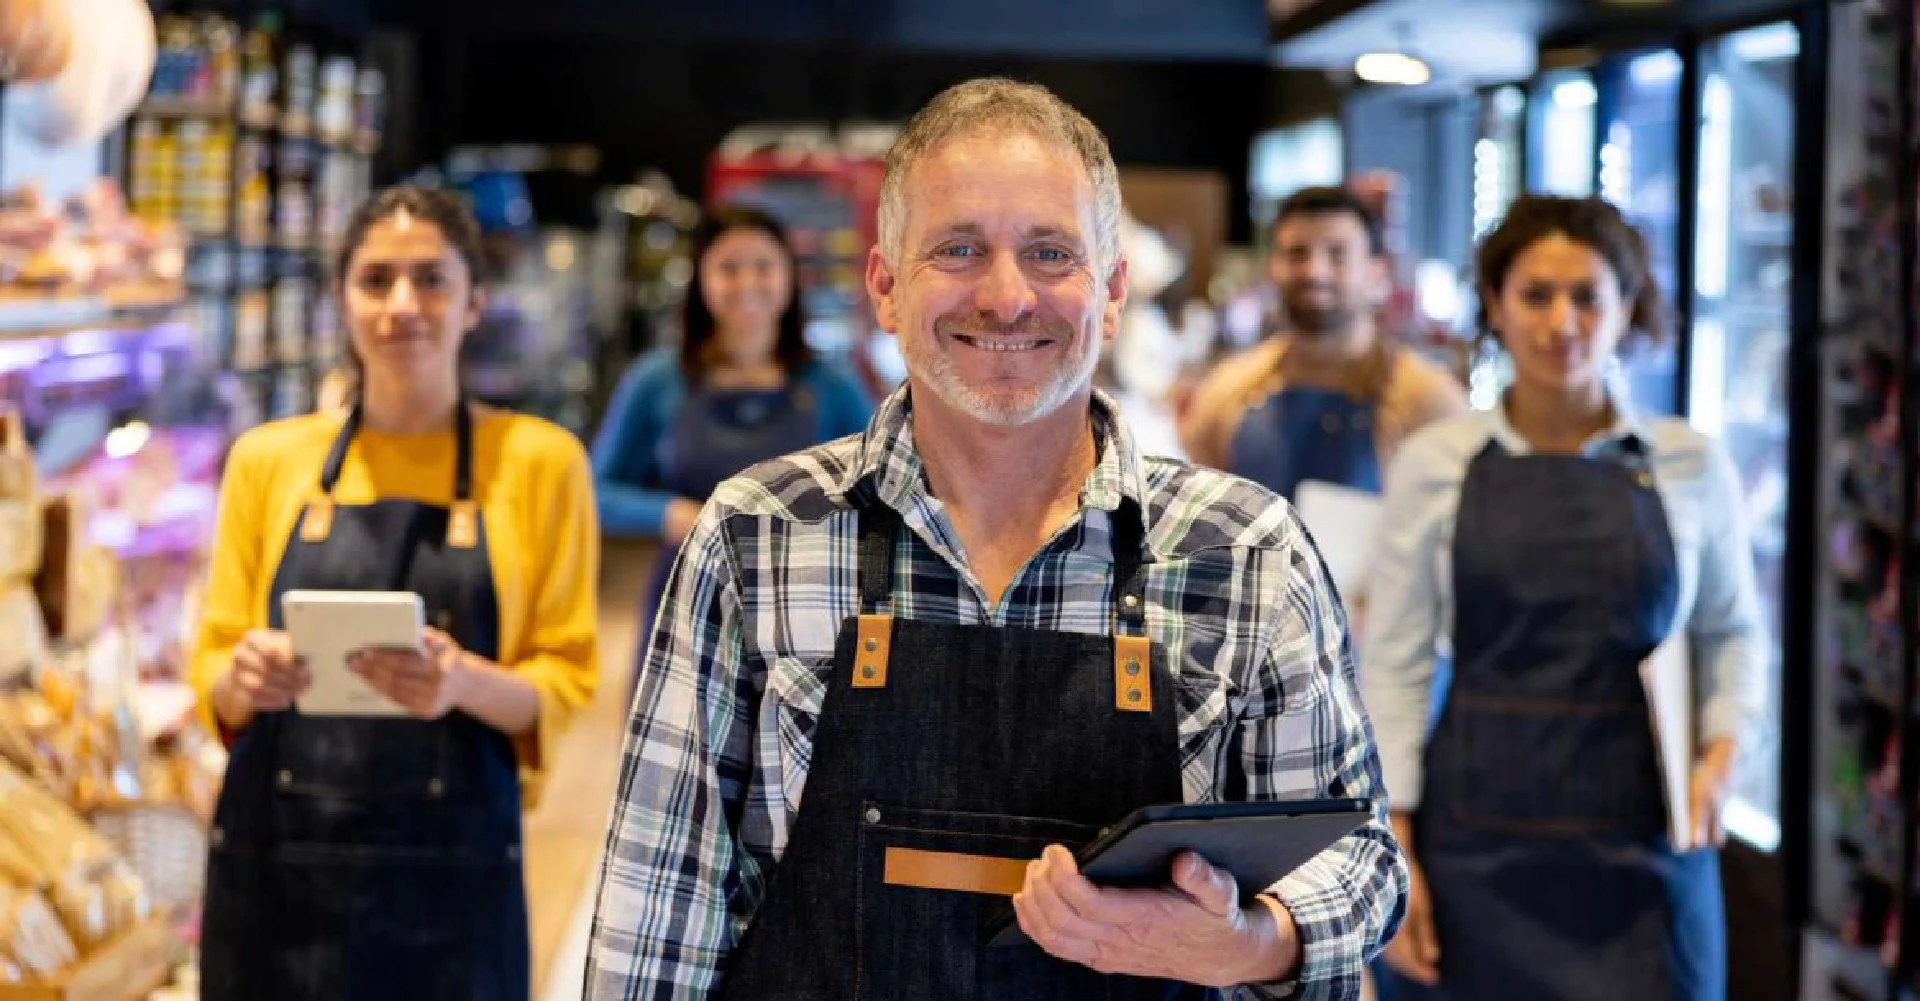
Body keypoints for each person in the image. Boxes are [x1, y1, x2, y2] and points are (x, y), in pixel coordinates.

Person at [586, 77, 1406, 1001]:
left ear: (1113, 291)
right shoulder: (754, 539)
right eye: (960, 248)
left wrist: (1251, 941)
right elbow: (658, 915)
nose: (1007, 297)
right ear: (886, 287)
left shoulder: (1250, 552)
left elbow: (1359, 863)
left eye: (1051, 252)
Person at [188, 185, 600, 1001]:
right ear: (341, 298)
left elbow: (564, 680)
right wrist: (242, 677)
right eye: (375, 280)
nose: (401, 305)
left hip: (453, 876)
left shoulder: (540, 462)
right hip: (278, 873)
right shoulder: (267, 462)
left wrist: (460, 681)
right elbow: (213, 662)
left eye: (431, 279)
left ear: (475, 299)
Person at [1361, 195, 1767, 1001]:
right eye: (1536, 295)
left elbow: (1730, 632)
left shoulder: (1690, 464)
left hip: (1647, 852)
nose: (1562, 321)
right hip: (1473, 854)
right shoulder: (1438, 462)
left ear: (1626, 309)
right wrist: (1392, 843)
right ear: (1496, 307)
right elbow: (1397, 662)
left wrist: (1724, 754)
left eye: (1588, 296)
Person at [590, 205, 872, 693]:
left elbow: (880, 483)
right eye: (728, 267)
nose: (747, 282)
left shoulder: (831, 385)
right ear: (700, 280)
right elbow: (592, 492)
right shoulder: (656, 381)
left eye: (763, 266)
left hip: (805, 608)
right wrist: (670, 514)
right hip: (688, 598)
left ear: (788, 277)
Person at [1180, 186, 1464, 502]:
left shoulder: (1429, 402)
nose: (1315, 271)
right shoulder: (1225, 391)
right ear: (1273, 267)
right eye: (1297, 254)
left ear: (1377, 273)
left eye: (1337, 254)